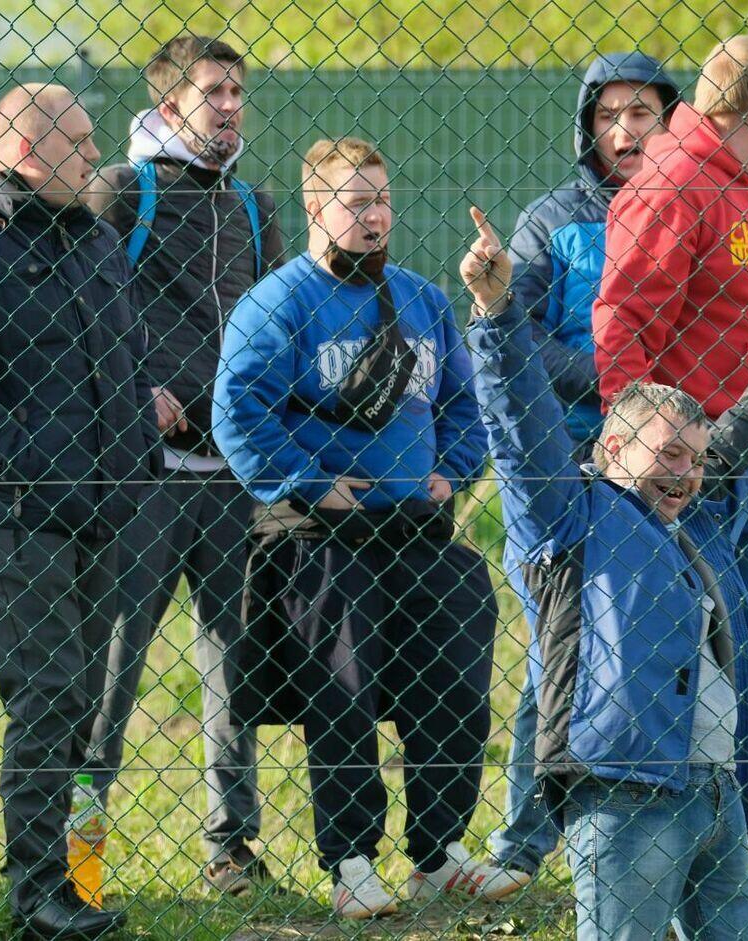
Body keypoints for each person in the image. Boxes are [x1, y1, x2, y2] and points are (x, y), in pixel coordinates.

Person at [463, 206, 748, 939]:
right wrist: (498, 311)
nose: (687, 473)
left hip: (715, 790)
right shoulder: (568, 518)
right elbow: (519, 424)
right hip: (624, 794)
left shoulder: (693, 515)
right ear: (612, 448)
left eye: (693, 459)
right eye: (668, 454)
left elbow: (741, 432)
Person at [213, 137, 518, 919]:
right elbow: (237, 412)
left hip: (417, 531)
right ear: (315, 207)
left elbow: (465, 402)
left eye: (382, 200)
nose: (375, 216)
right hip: (323, 540)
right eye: (356, 202)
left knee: (455, 677)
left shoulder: (421, 299)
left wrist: (453, 468)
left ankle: (439, 854)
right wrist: (312, 482)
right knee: (343, 695)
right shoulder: (278, 303)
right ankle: (351, 862)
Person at [592, 35, 748, 903]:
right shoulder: (672, 184)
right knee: (694, 662)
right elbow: (624, 322)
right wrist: (641, 453)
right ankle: (696, 845)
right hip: (703, 462)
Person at [0, 83, 159, 939]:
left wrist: (135, 461)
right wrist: (42, 465)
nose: (95, 156)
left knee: (79, 698)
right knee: (47, 694)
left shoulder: (92, 237)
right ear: (23, 150)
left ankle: (65, 883)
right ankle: (35, 896)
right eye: (78, 143)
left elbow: (127, 359)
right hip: (13, 512)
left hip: (102, 509)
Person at [84, 34, 286, 895]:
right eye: (214, 92)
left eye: (238, 91)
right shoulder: (121, 190)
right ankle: (76, 854)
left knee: (234, 664)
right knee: (113, 666)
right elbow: (82, 310)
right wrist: (137, 389)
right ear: (169, 104)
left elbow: (274, 323)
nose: (231, 106)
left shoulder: (253, 205)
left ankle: (231, 849)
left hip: (232, 474)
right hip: (145, 476)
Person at [490, 51, 678, 882]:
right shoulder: (553, 220)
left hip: (671, 469)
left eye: (642, 112)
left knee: (670, 646)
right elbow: (516, 333)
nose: (625, 129)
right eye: (609, 114)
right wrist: (616, 387)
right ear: (586, 126)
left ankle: (668, 838)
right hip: (572, 459)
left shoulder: (692, 209)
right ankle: (523, 841)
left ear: (670, 120)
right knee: (557, 649)